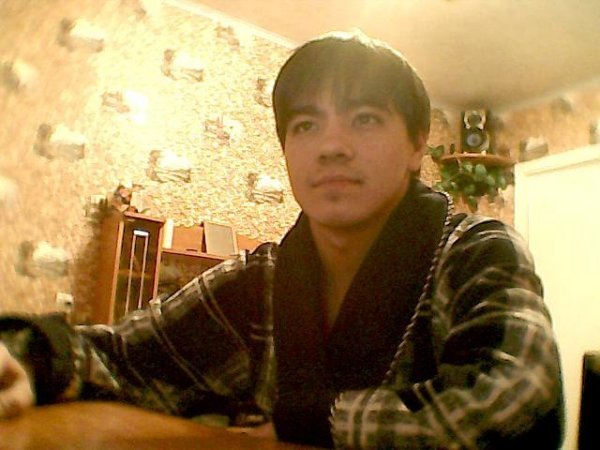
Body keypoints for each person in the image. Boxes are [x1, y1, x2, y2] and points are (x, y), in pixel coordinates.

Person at [0, 31, 563, 448]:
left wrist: (309, 422)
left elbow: (516, 399)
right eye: (306, 125)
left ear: (418, 145)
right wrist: (27, 360)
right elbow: (125, 359)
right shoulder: (262, 279)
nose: (331, 146)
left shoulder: (477, 250)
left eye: (365, 119)